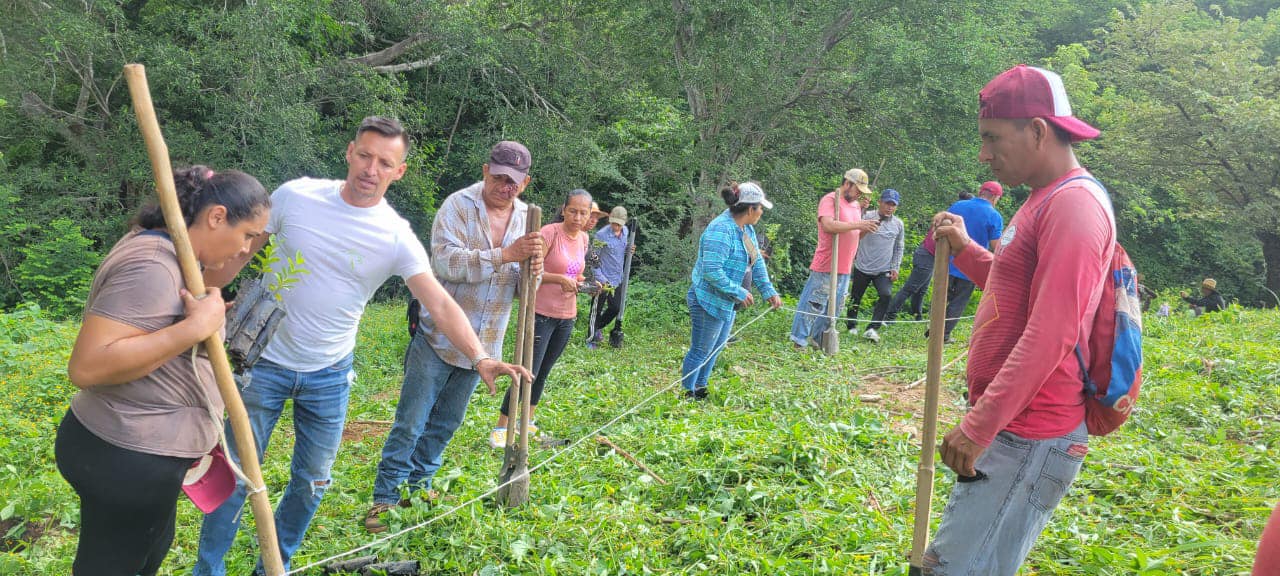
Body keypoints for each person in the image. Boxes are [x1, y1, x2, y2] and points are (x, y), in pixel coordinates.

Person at [195, 118, 529, 575]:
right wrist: (206, 296)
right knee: (235, 476)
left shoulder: (394, 235)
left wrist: (482, 356)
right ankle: (207, 571)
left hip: (329, 375)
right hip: (261, 363)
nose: (371, 169)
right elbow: (241, 251)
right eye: (365, 155)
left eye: (385, 162)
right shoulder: (296, 195)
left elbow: (439, 301)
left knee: (311, 483)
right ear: (350, 152)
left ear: (400, 171)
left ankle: (275, 566)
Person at [924, 64, 1112, 575]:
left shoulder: (1074, 206)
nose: (984, 154)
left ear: (1037, 130)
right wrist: (967, 250)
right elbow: (1017, 289)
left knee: (957, 568)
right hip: (1013, 427)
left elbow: (1052, 331)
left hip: (1028, 433)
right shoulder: (1040, 199)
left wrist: (980, 424)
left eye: (992, 138)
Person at [58, 166, 270, 576]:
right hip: (123, 454)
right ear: (215, 217)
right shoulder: (153, 263)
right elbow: (88, 366)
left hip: (141, 455)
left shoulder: (175, 256)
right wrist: (194, 328)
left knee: (145, 554)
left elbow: (154, 335)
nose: (247, 249)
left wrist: (197, 324)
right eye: (247, 234)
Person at [364, 141, 545, 533]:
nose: (504, 186)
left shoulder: (530, 219)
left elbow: (523, 285)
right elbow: (444, 262)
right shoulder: (458, 206)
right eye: (498, 177)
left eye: (513, 181)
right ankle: (385, 498)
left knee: (446, 423)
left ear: (525, 182)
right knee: (410, 422)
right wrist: (504, 255)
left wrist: (533, 268)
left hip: (486, 347)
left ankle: (421, 487)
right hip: (437, 336)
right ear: (485, 171)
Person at [490, 188, 594, 448]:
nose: (577, 217)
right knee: (528, 370)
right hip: (541, 313)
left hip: (566, 315)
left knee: (544, 372)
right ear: (563, 209)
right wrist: (559, 279)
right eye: (573, 211)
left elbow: (575, 273)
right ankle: (501, 428)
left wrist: (586, 284)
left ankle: (528, 423)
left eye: (583, 212)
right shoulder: (549, 233)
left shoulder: (583, 238)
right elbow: (531, 272)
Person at [681, 181, 782, 399]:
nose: (762, 212)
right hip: (707, 300)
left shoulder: (747, 229)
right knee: (701, 349)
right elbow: (711, 270)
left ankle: (701, 387)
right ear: (749, 209)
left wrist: (769, 291)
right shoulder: (721, 230)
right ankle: (687, 393)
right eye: (760, 208)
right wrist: (737, 291)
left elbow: (757, 262)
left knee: (716, 347)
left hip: (726, 302)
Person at [789, 168, 878, 349]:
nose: (859, 193)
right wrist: (859, 224)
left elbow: (852, 233)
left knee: (834, 309)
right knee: (814, 303)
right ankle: (798, 341)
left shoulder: (855, 206)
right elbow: (829, 225)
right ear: (847, 183)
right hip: (827, 263)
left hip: (845, 266)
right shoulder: (830, 200)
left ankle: (819, 340)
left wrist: (863, 230)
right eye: (857, 189)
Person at [884, 191, 978, 324]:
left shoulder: (951, 217)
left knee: (921, 290)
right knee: (911, 288)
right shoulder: (950, 220)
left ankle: (917, 317)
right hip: (927, 255)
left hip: (929, 256)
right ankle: (889, 316)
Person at [938, 180, 1006, 343]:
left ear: (980, 191)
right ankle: (944, 335)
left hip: (947, 261)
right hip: (969, 266)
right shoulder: (994, 215)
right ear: (996, 197)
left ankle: (934, 328)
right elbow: (995, 245)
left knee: (941, 297)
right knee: (958, 302)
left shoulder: (958, 206)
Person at [845, 188, 905, 343]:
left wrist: (895, 267)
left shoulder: (898, 224)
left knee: (886, 295)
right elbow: (853, 228)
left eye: (893, 204)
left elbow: (899, 247)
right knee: (855, 297)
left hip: (883, 268)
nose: (889, 207)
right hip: (862, 265)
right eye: (887, 203)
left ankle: (872, 328)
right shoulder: (867, 216)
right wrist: (862, 208)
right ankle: (851, 325)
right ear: (880, 202)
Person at [588, 206, 635, 349]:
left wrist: (629, 249)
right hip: (602, 278)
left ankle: (597, 328)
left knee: (615, 308)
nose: (616, 226)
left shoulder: (626, 232)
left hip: (617, 278)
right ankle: (591, 339)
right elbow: (593, 257)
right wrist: (599, 277)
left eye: (619, 224)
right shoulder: (601, 235)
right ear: (609, 219)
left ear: (624, 223)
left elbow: (622, 250)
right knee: (596, 310)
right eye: (614, 223)